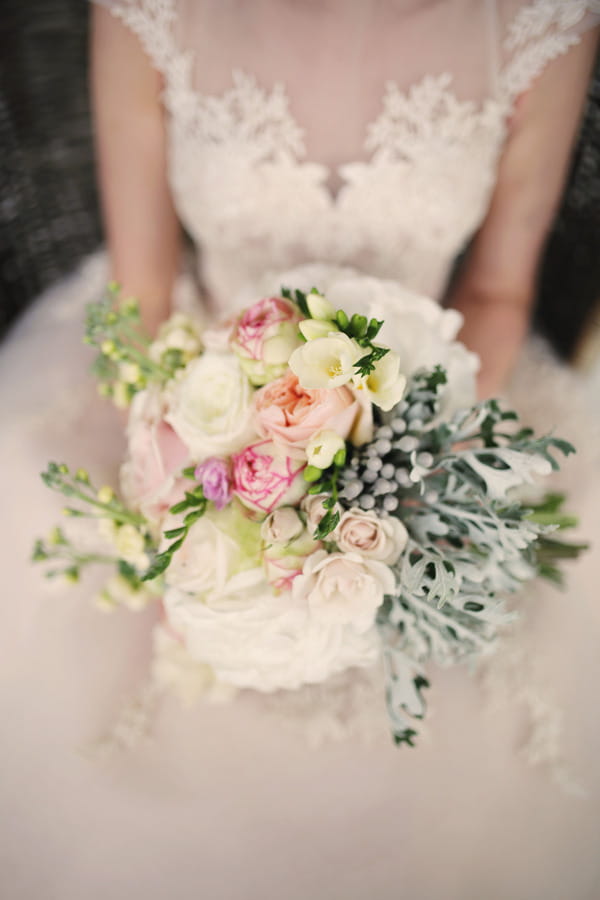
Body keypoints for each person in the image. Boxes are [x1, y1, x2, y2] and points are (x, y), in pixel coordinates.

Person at [1, 2, 599, 898]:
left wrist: (403, 476)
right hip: (193, 379)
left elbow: (501, 292)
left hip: (440, 396)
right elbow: (145, 294)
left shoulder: (544, 19)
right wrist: (190, 482)